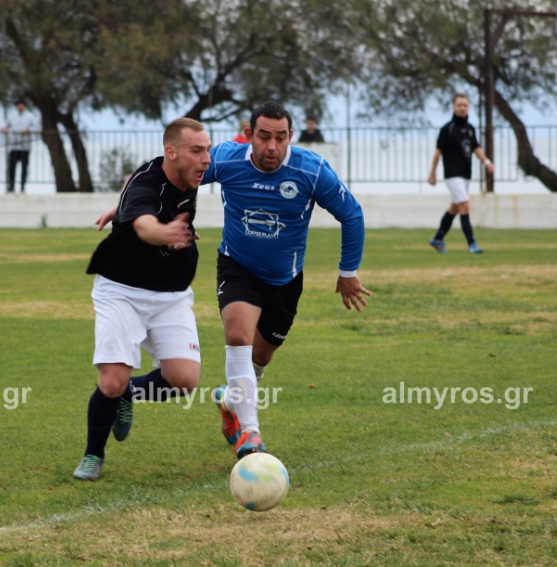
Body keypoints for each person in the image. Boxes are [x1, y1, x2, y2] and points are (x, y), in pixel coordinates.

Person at [201, 101, 369, 459]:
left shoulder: (311, 170)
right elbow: (177, 174)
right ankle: (251, 433)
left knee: (260, 359)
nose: (272, 146)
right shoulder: (226, 160)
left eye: (280, 137)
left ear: (291, 135)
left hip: (285, 280)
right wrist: (142, 208)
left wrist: (348, 272)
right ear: (249, 135)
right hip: (237, 266)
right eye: (264, 137)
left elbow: (352, 214)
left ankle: (231, 400)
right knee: (237, 336)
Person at [73, 118, 212, 481]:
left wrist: (119, 205)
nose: (206, 159)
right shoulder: (148, 183)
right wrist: (162, 231)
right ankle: (93, 455)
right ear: (172, 153)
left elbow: (129, 186)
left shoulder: (193, 171)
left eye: (208, 150)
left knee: (184, 380)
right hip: (122, 289)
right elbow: (143, 225)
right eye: (197, 151)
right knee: (111, 381)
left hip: (171, 291)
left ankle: (129, 394)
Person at [427, 93, 494, 254]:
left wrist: (487, 162)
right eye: (459, 105)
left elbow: (476, 148)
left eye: (465, 105)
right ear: (453, 107)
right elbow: (438, 152)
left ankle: (437, 239)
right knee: (464, 205)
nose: (462, 108)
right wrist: (432, 173)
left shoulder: (470, 129)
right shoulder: (447, 129)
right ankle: (472, 244)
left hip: (465, 174)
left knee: (454, 208)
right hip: (452, 174)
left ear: (468, 107)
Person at [1, 99, 36, 194]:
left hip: (25, 146)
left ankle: (22, 187)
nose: (20, 107)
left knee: (24, 167)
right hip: (13, 147)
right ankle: (11, 187)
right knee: (11, 167)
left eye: (22, 105)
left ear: (24, 106)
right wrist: (4, 130)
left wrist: (27, 130)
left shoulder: (30, 117)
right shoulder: (11, 116)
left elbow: (36, 128)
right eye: (18, 105)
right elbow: (5, 126)